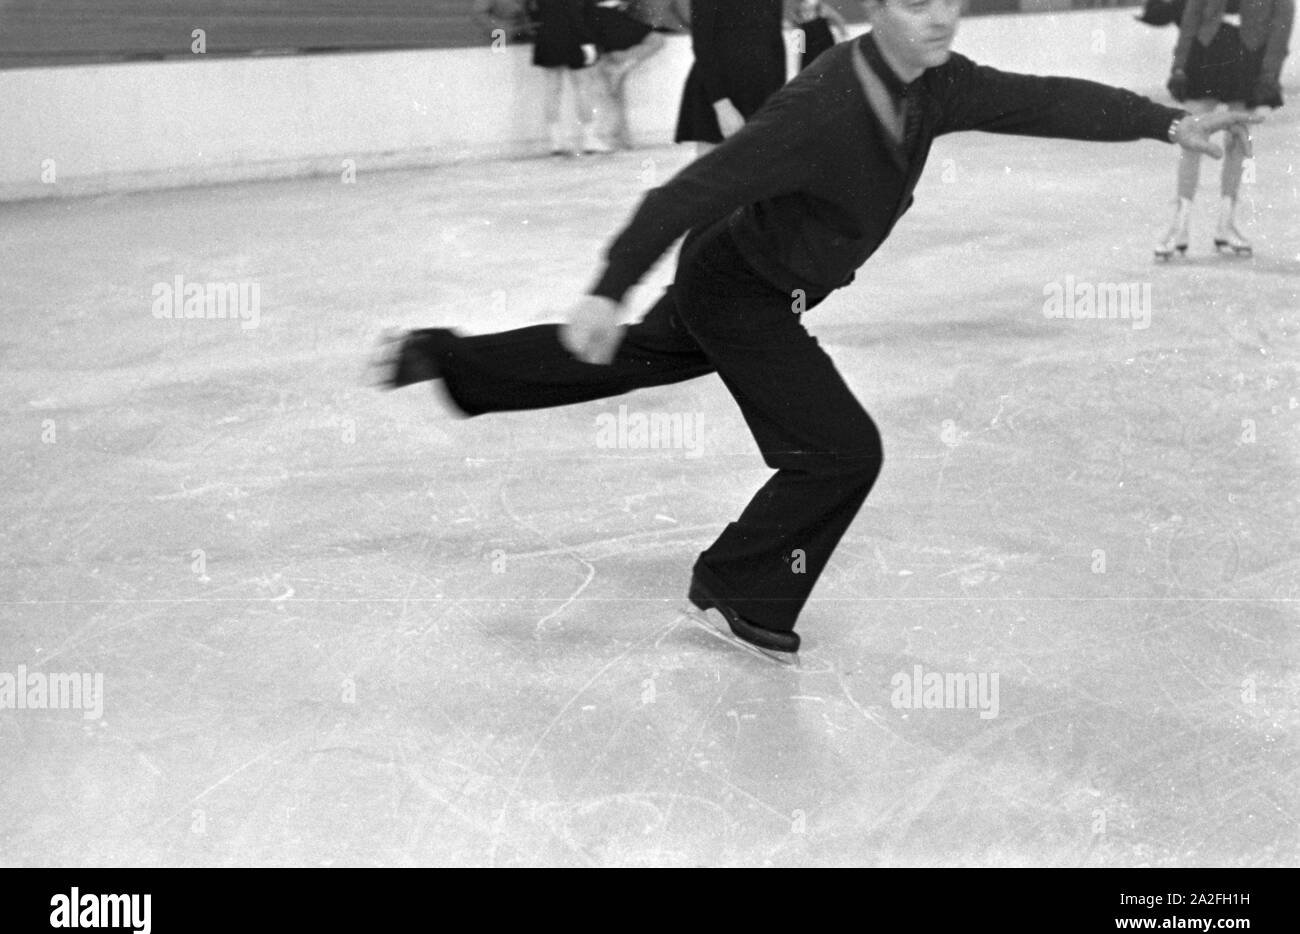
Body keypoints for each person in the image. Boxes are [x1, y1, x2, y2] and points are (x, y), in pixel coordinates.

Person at [379, 0, 1258, 655]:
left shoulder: (935, 83)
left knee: (634, 360)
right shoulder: (824, 107)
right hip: (740, 288)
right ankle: (737, 589)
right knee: (841, 450)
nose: (941, 18)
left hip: (748, 275)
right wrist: (606, 287)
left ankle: (449, 362)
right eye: (918, 4)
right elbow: (687, 192)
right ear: (874, 9)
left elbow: (1040, 101)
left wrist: (1163, 121)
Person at [1155, 0, 1293, 259]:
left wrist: (1269, 75)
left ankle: (1225, 224)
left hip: (1249, 58)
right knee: (1192, 136)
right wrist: (1180, 64)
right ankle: (1180, 225)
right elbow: (1192, 15)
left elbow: (1281, 27)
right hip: (1206, 52)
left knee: (1237, 140)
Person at [675, 0, 787, 155]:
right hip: (718, 91)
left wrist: (777, 98)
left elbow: (775, 42)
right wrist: (721, 105)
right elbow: (702, 44)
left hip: (762, 91)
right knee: (711, 173)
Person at [527, 0, 613, 155]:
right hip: (572, 38)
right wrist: (587, 40)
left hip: (546, 37)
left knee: (552, 90)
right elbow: (573, 15)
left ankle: (555, 142)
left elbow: (533, 12)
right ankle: (589, 139)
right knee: (583, 87)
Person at [590, 0, 668, 148]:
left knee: (615, 87)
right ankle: (619, 137)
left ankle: (620, 137)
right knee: (656, 40)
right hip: (606, 18)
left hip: (609, 19)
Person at [788, 0, 850, 72]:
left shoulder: (820, 8)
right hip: (809, 50)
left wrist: (843, 36)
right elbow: (796, 33)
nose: (804, 5)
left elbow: (838, 20)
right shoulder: (796, 14)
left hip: (825, 46)